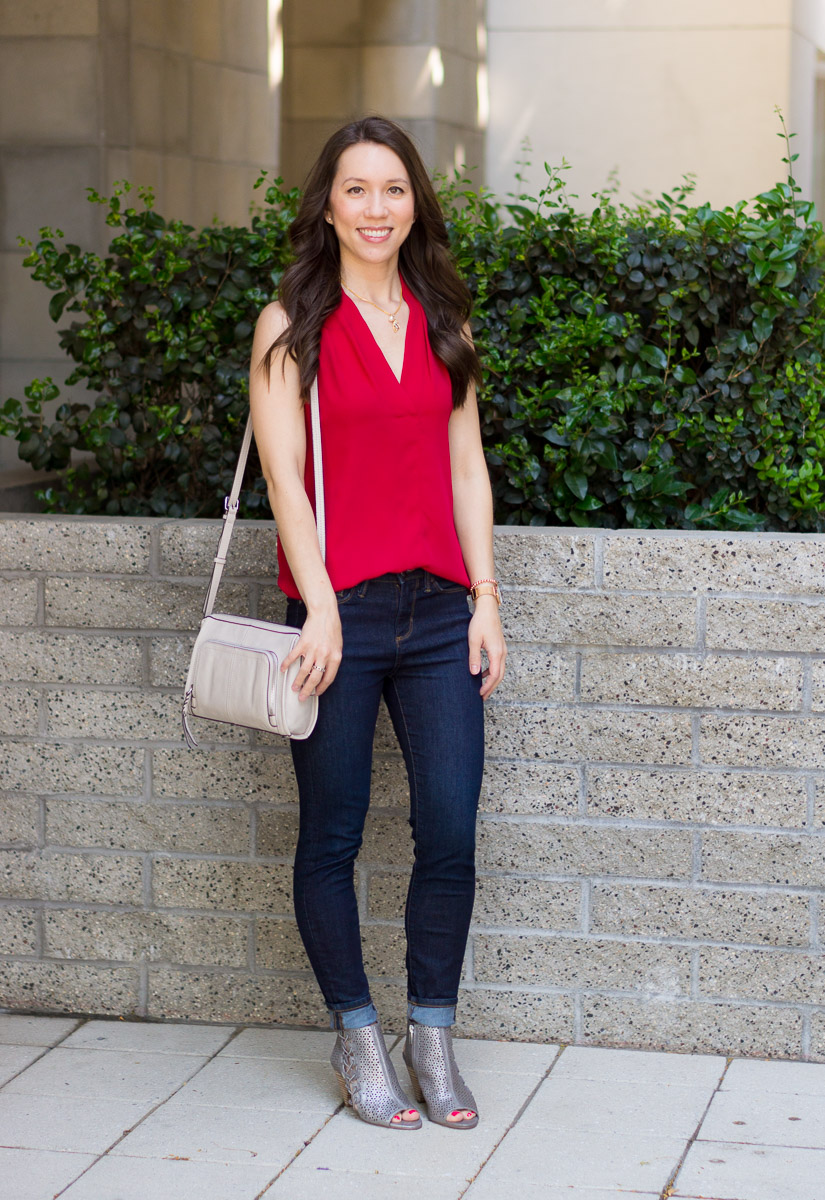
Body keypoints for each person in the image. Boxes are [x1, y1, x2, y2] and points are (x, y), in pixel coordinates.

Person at [249, 116, 506, 1131]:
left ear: (416, 206)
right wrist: (317, 605)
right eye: (355, 189)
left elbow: (467, 466)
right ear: (326, 204)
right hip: (337, 617)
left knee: (449, 827)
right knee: (335, 833)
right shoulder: (290, 325)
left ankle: (430, 1038)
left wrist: (487, 597)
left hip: (440, 612)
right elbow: (285, 480)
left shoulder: (446, 317)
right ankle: (357, 1034)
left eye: (393, 189)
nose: (375, 208)